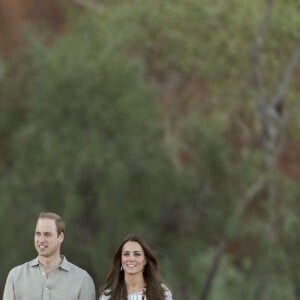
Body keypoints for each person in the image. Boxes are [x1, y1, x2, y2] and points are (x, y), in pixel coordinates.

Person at [2, 211, 96, 300]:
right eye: (38, 234)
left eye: (47, 234)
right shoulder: (15, 276)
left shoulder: (82, 280)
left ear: (61, 237)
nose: (41, 240)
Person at [99, 234, 172, 300]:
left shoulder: (161, 293)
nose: (131, 259)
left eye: (137, 254)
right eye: (126, 254)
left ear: (145, 260)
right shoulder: (108, 296)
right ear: (120, 259)